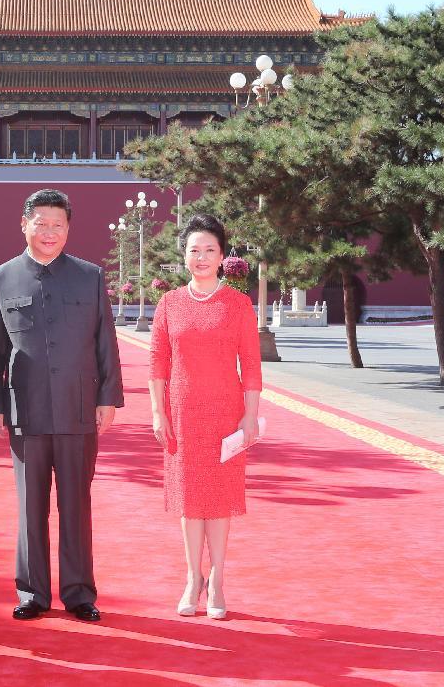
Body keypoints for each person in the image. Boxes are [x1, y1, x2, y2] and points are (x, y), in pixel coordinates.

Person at [0, 188, 124, 622]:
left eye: (57, 225)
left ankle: (79, 591)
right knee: (31, 506)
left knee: (76, 504)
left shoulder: (89, 276)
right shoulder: (1, 278)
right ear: (23, 224)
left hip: (80, 408)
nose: (49, 232)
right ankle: (33, 592)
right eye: (40, 223)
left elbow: (106, 342)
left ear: (68, 230)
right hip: (27, 410)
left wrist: (108, 398)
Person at [148, 213, 262, 620]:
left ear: (222, 256)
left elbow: (250, 364)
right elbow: (158, 361)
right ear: (183, 256)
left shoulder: (238, 305)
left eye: (209, 250)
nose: (201, 257)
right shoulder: (169, 303)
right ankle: (192, 578)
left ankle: (217, 580)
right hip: (182, 414)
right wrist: (158, 412)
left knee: (219, 500)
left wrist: (250, 416)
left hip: (225, 415)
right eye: (194, 250)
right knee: (189, 500)